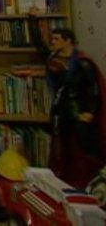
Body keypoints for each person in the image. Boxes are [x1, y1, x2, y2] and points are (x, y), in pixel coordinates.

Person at [29, 14, 106, 187]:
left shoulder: (82, 63)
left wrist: (90, 112)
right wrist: (32, 20)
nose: (53, 42)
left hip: (77, 111)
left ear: (67, 41)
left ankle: (87, 183)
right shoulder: (53, 59)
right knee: (60, 147)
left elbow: (93, 89)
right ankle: (60, 180)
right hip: (59, 109)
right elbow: (39, 44)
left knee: (81, 148)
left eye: (57, 39)